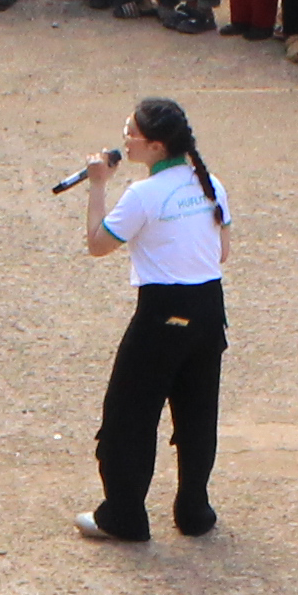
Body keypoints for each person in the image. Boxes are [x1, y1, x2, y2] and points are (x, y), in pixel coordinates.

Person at [73, 94, 231, 546]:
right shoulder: (210, 183)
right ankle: (194, 510)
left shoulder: (143, 194)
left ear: (158, 147)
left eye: (133, 134)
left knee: (128, 416)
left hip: (162, 313)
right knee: (197, 413)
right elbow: (222, 250)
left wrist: (98, 185)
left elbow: (99, 244)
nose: (126, 139)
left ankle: (123, 514)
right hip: (209, 310)